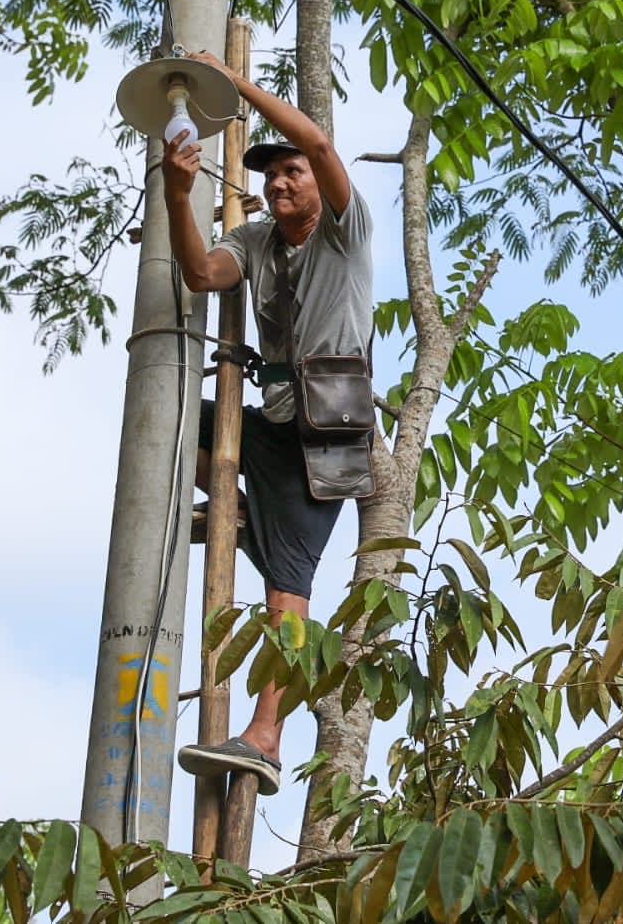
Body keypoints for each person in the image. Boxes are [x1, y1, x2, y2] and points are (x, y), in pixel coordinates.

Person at [162, 50, 373, 795]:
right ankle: (240, 517)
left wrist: (232, 85)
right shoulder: (254, 240)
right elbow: (199, 273)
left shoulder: (344, 233)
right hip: (272, 419)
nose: (280, 182)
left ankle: (264, 736)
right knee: (171, 423)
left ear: (320, 184)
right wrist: (176, 192)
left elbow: (318, 143)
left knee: (287, 592)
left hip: (325, 439)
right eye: (269, 175)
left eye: (293, 173)